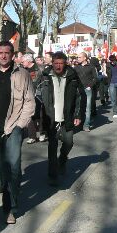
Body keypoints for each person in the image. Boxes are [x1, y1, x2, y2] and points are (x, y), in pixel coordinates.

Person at [0, 41, 35, 224]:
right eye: (0, 53)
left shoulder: (22, 75)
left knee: (13, 167)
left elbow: (29, 103)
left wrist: (20, 125)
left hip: (13, 128)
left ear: (13, 54)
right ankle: (4, 185)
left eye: (7, 52)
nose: (3, 56)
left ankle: (9, 207)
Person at [40, 52, 85, 187]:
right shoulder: (45, 77)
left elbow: (80, 96)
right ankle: (52, 175)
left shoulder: (72, 77)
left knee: (69, 143)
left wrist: (78, 115)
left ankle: (63, 159)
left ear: (65, 63)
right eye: (56, 63)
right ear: (52, 63)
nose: (58, 66)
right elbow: (36, 95)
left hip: (67, 117)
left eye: (61, 63)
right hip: (51, 118)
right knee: (52, 148)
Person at [74, 52, 98, 131]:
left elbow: (95, 78)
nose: (78, 59)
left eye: (79, 57)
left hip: (87, 90)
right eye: (77, 57)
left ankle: (86, 125)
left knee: (88, 108)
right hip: (78, 90)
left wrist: (90, 86)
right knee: (78, 107)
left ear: (85, 58)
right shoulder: (76, 67)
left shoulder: (91, 67)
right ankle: (79, 122)